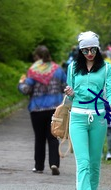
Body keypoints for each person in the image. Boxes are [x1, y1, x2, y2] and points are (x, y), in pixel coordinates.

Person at [64, 31, 111, 190]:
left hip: (99, 118)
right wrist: (69, 92)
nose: (90, 53)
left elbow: (110, 91)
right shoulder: (72, 68)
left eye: (93, 49)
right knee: (83, 162)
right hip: (77, 117)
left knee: (95, 164)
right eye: (85, 50)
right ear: (80, 50)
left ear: (98, 48)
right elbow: (69, 98)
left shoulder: (106, 68)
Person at [18, 45, 67, 175]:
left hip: (37, 109)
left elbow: (26, 90)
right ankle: (54, 163)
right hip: (54, 109)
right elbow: (65, 87)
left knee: (39, 138)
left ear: (37, 57)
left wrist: (21, 83)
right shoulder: (58, 70)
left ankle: (39, 166)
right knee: (53, 137)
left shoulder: (33, 71)